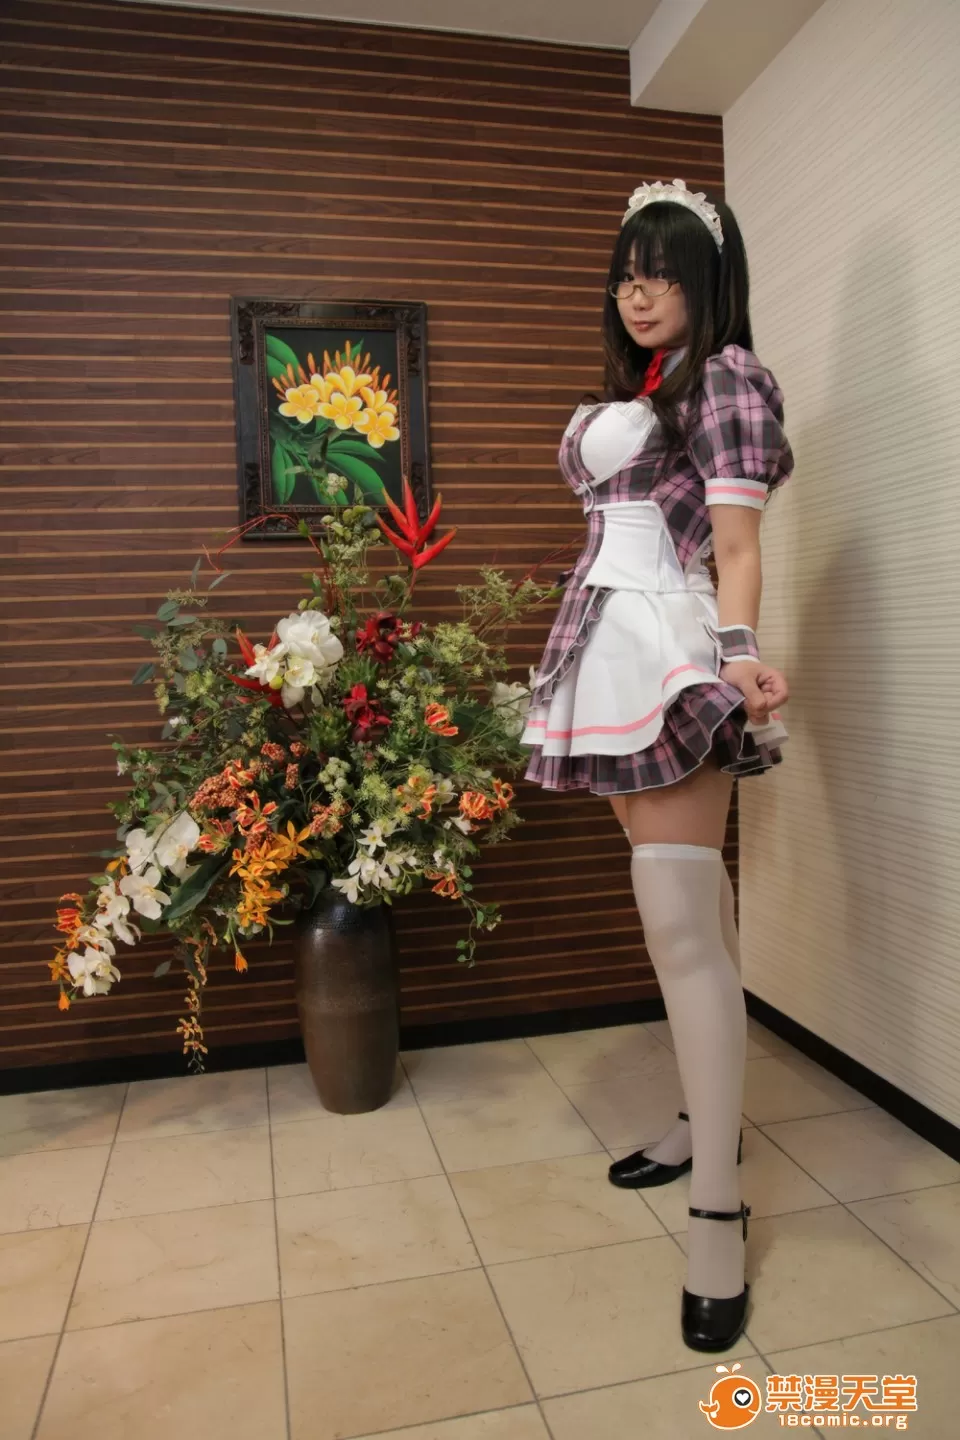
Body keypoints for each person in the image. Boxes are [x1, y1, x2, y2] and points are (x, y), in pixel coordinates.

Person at [520, 179, 793, 1353]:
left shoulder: (726, 377)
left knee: (682, 930)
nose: (639, 293)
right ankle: (699, 1125)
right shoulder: (643, 387)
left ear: (708, 281)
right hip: (606, 651)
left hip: (670, 649)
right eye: (627, 274)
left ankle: (718, 1211)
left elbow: (737, 544)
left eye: (665, 272)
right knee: (693, 921)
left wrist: (736, 655)